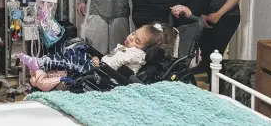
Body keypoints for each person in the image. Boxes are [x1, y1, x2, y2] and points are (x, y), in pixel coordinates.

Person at [18, 22, 177, 90]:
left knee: (74, 61)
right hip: (100, 69)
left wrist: (99, 63)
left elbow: (114, 64)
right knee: (76, 51)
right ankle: (42, 66)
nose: (130, 38)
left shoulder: (136, 55)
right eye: (133, 33)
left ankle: (41, 63)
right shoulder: (129, 49)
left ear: (145, 49)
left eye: (137, 40)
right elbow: (109, 60)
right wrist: (98, 60)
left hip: (107, 77)